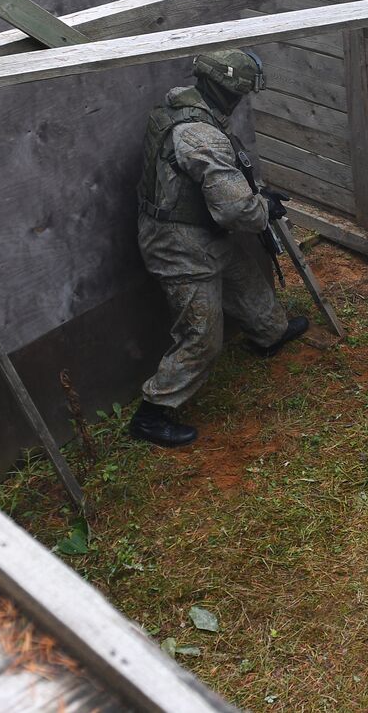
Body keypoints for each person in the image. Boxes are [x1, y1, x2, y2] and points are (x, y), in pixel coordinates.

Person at [133, 49, 308, 447]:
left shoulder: (183, 106)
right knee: (201, 337)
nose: (244, 98)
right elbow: (236, 212)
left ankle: (270, 335)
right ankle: (152, 413)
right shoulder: (201, 135)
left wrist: (257, 194)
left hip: (199, 232)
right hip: (178, 243)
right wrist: (263, 206)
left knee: (247, 285)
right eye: (242, 91)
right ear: (228, 89)